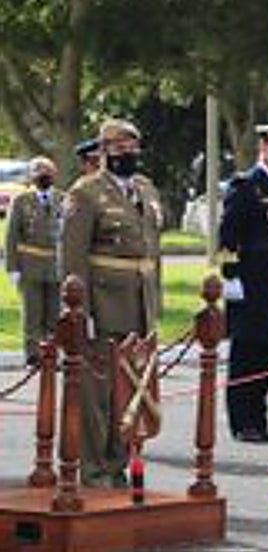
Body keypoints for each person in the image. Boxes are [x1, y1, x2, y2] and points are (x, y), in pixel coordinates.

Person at [59, 119, 163, 488]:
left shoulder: (146, 189)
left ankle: (118, 466)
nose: (128, 154)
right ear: (103, 151)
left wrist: (156, 305)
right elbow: (73, 257)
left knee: (129, 392)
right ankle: (93, 469)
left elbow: (154, 251)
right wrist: (78, 312)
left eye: (133, 147)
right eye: (120, 148)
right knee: (97, 394)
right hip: (103, 305)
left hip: (140, 304)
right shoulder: (85, 193)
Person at [217, 121, 268, 442]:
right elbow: (227, 238)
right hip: (251, 283)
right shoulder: (245, 186)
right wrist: (231, 278)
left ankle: (259, 419)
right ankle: (242, 421)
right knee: (246, 354)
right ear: (264, 147)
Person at [5, 156, 63, 364]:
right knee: (33, 313)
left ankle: (51, 353)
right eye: (38, 170)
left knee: (55, 314)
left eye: (47, 170)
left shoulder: (62, 199)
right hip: (29, 264)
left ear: (54, 174)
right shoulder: (21, 201)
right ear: (31, 176)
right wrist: (12, 268)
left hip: (56, 265)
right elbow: (11, 236)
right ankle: (32, 355)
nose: (43, 174)